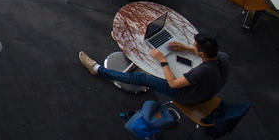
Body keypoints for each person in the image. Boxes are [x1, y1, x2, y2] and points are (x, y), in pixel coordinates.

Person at [78, 33, 230, 106]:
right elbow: (200, 56)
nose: (193, 47)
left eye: (195, 47)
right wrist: (185, 48)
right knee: (171, 66)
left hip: (187, 97)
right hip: (205, 92)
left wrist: (163, 61)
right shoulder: (223, 57)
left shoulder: (203, 71)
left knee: (142, 78)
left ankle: (98, 70)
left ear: (202, 54)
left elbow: (174, 84)